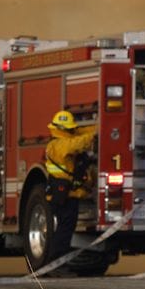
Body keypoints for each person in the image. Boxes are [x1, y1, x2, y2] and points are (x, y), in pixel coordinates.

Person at [44, 109, 96, 276]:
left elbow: (77, 135)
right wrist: (94, 135)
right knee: (64, 231)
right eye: (71, 129)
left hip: (63, 195)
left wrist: (97, 128)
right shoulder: (59, 145)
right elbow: (77, 143)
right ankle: (56, 264)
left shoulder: (57, 142)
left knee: (63, 229)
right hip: (65, 196)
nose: (73, 131)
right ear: (63, 129)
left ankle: (55, 264)